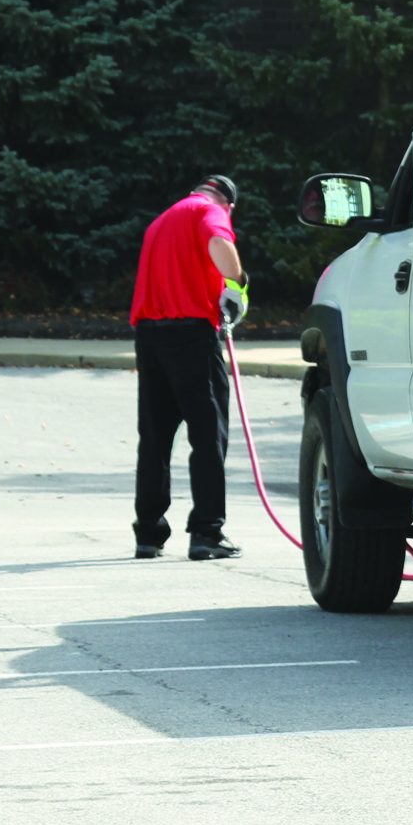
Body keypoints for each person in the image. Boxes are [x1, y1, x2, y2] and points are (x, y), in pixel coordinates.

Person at [129, 174, 250, 561]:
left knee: (155, 436)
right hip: (192, 335)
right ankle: (206, 533)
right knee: (208, 434)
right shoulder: (209, 212)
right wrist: (238, 281)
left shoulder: (160, 221)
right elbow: (219, 242)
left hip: (149, 336)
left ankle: (149, 534)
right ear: (227, 204)